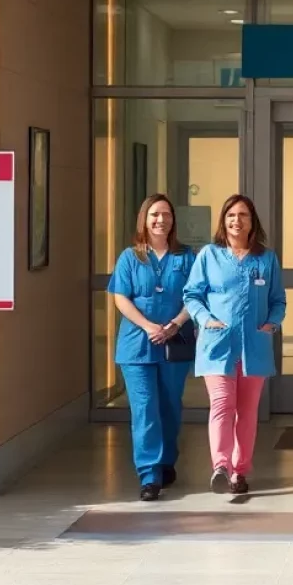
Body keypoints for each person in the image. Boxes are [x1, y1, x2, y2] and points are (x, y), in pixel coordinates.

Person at [183, 194, 286, 495]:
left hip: (254, 345)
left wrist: (272, 323)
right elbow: (192, 295)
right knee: (222, 404)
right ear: (223, 221)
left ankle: (240, 470)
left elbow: (278, 299)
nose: (236, 221)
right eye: (231, 215)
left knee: (247, 411)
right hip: (217, 345)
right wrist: (205, 320)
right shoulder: (209, 255)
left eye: (243, 215)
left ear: (252, 222)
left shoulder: (266, 259)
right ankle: (221, 466)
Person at [107, 194, 195, 502]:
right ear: (144, 219)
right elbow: (120, 297)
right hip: (137, 346)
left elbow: (195, 296)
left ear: (173, 220)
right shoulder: (130, 258)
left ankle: (166, 460)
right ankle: (149, 474)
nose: (161, 220)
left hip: (175, 343)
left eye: (166, 214)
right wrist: (148, 326)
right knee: (145, 410)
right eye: (155, 214)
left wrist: (175, 325)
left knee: (170, 406)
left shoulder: (186, 257)